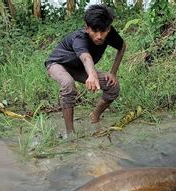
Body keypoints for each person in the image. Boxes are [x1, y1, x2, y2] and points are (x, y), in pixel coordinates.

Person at [45, 4, 126, 138]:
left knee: (113, 86)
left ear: (109, 28)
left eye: (103, 31)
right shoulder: (79, 38)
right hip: (58, 64)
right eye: (94, 30)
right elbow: (86, 57)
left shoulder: (110, 34)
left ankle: (95, 116)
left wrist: (113, 73)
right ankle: (70, 134)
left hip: (79, 68)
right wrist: (92, 74)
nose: (99, 36)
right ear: (87, 28)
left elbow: (122, 47)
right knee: (67, 83)